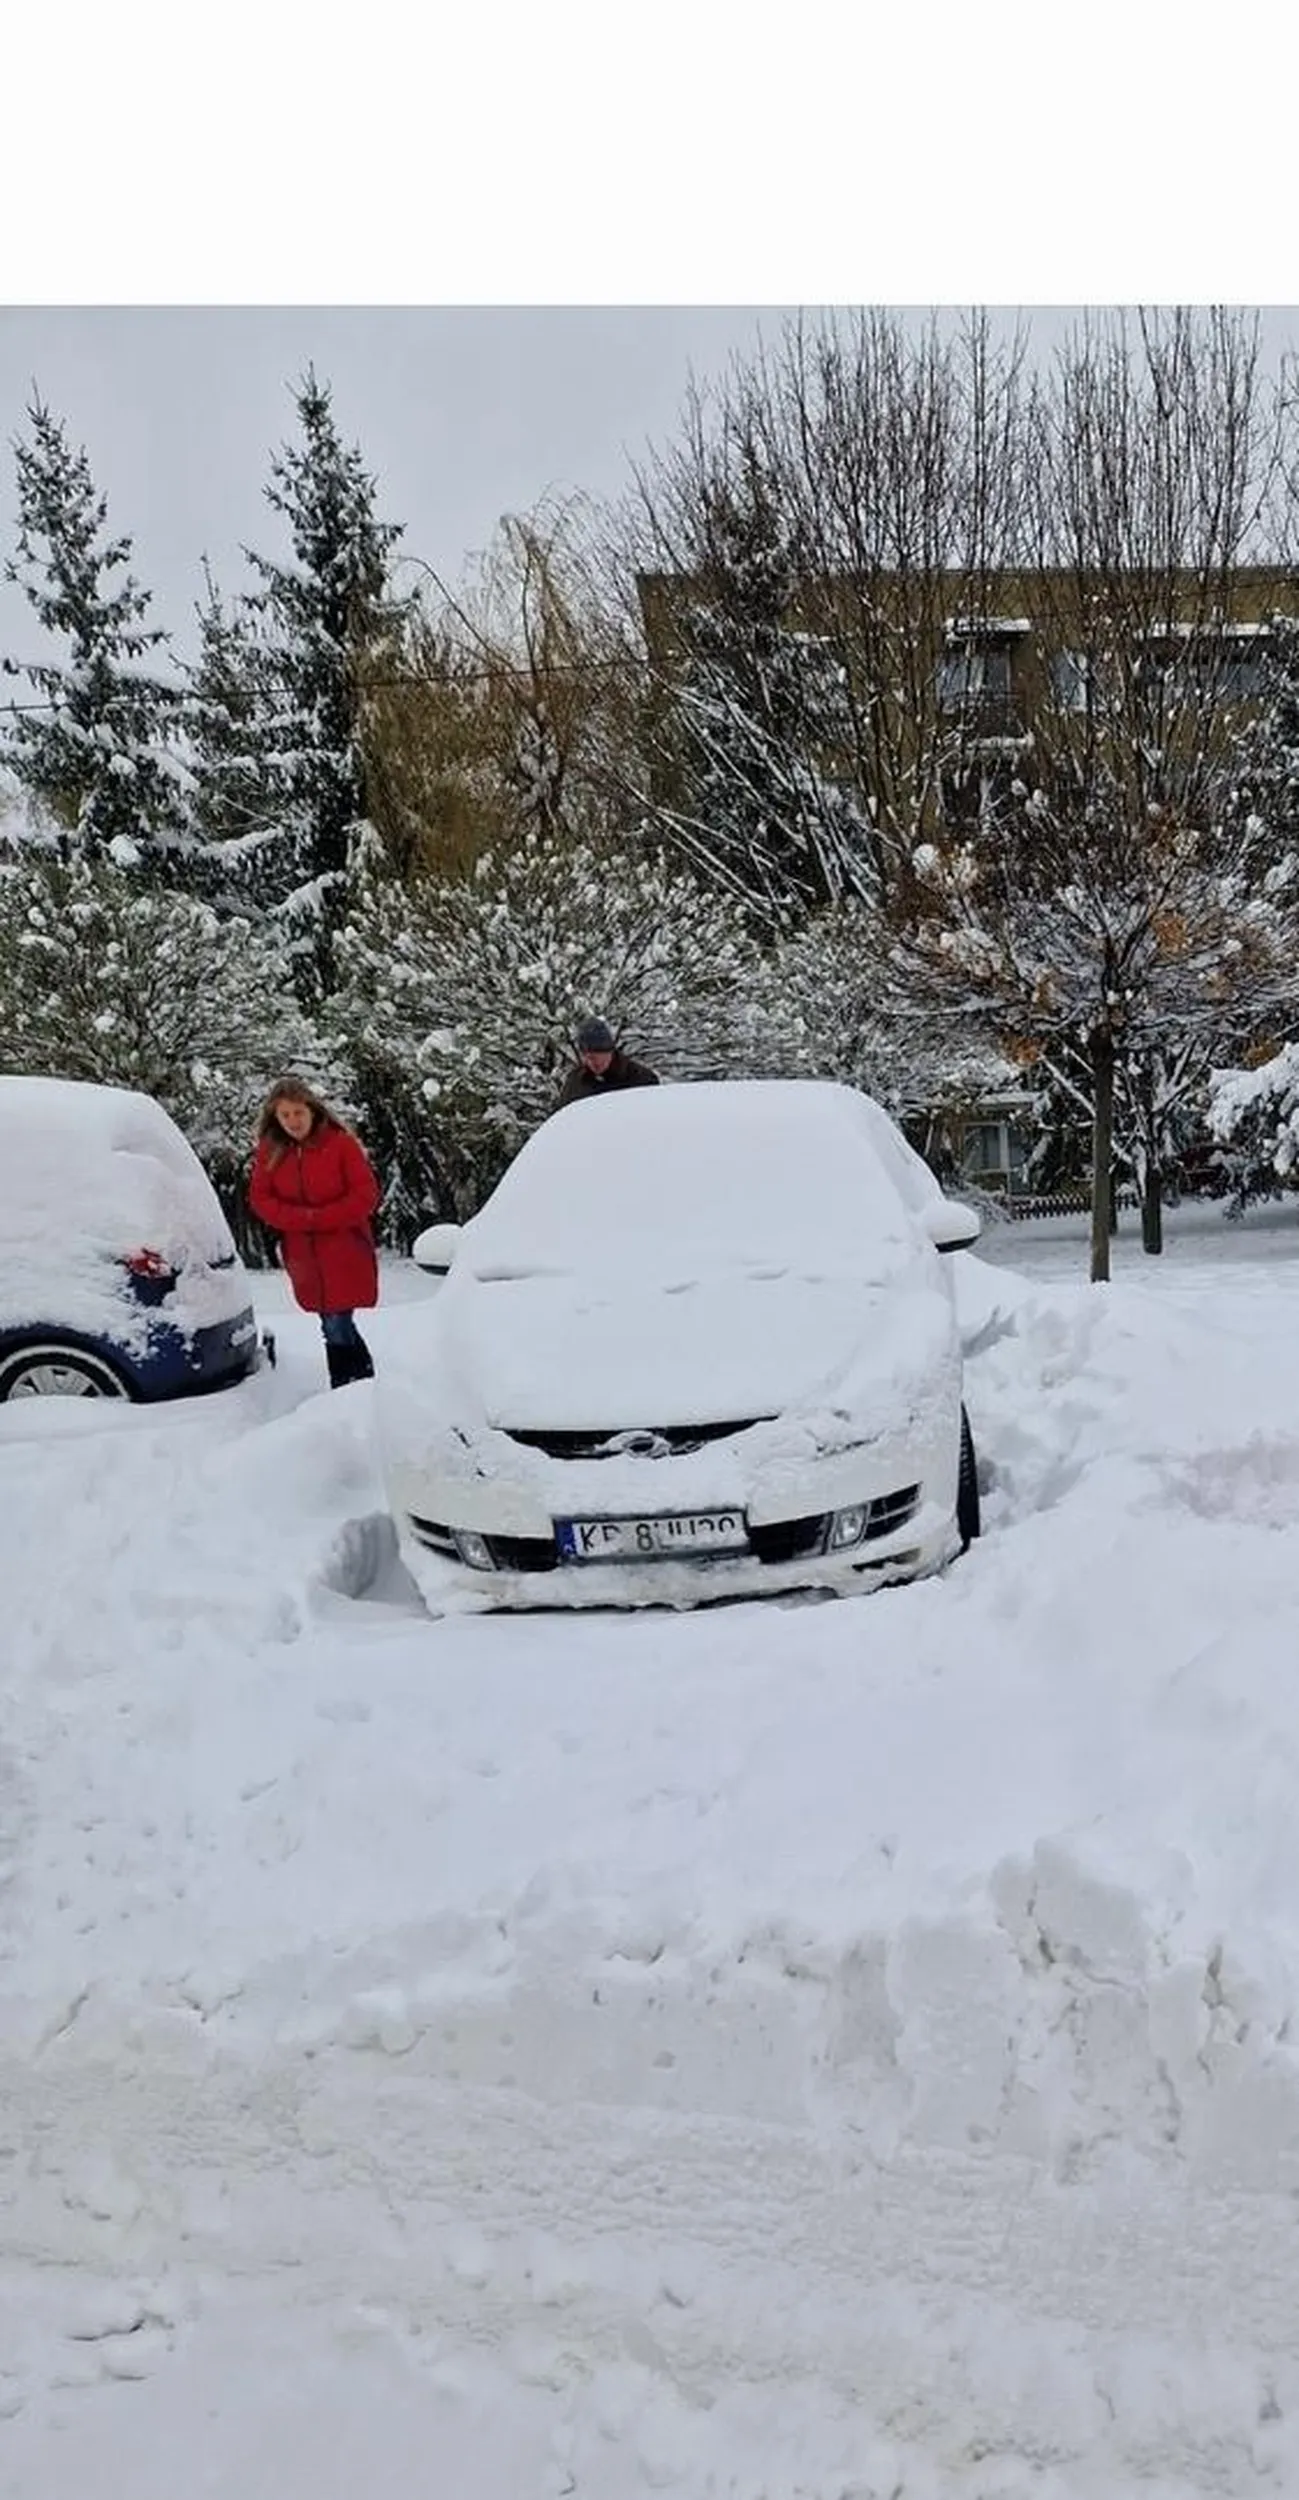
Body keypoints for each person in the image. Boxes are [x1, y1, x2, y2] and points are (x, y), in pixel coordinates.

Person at [248, 1077, 380, 1389]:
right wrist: (299, 1219)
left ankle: (348, 1386)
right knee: (331, 1321)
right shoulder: (270, 1151)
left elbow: (365, 1195)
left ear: (312, 1111)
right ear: (275, 1117)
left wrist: (319, 1218)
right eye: (285, 1115)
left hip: (343, 1248)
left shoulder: (340, 1144)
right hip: (303, 1254)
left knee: (336, 1321)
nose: (293, 1121)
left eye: (298, 1113)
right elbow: (261, 1198)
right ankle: (362, 1386)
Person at [555, 1016, 660, 1109]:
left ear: (609, 1051)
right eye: (586, 1057)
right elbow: (561, 1120)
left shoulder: (642, 1079)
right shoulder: (574, 1083)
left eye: (595, 1056)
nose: (591, 1062)